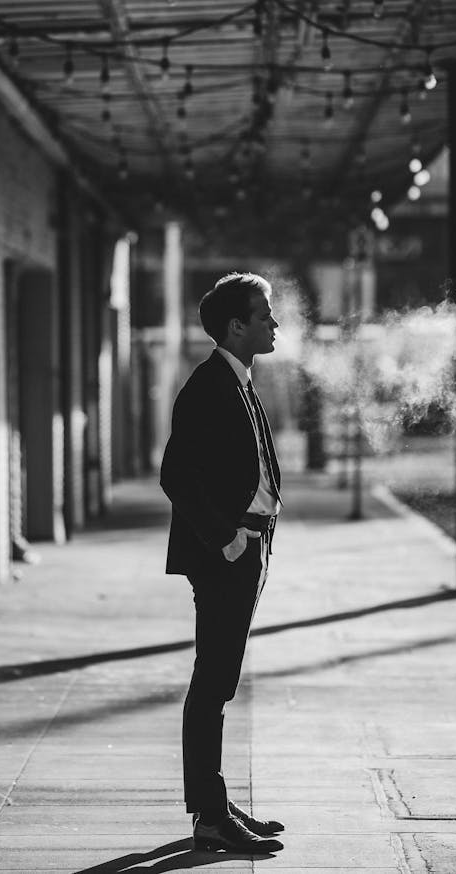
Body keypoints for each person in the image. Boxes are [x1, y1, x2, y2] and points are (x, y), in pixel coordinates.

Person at [160, 272, 285, 854]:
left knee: (221, 680)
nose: (275, 323)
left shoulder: (237, 380)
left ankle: (216, 800)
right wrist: (226, 540)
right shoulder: (210, 384)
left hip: (247, 548)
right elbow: (176, 475)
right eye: (265, 315)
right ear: (237, 326)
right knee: (212, 682)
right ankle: (208, 816)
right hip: (226, 553)